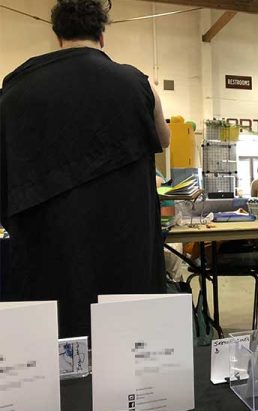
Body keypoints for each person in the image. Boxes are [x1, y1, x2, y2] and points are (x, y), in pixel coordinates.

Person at [0, 0, 170, 338]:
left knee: (58, 332)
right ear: (102, 35)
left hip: (50, 244)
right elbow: (163, 139)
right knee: (128, 335)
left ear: (58, 37)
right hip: (125, 237)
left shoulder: (16, 88)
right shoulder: (139, 83)